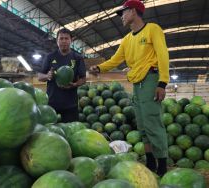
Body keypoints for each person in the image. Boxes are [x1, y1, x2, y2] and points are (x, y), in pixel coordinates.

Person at [90, 0, 169, 176]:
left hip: (150, 79)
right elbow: (116, 60)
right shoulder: (126, 39)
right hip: (137, 83)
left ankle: (163, 164)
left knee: (153, 122)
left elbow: (163, 54)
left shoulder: (152, 29)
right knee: (142, 124)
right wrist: (100, 68)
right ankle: (150, 162)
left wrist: (162, 82)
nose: (121, 17)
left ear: (133, 11)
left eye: (123, 13)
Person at [38, 28, 86, 123]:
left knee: (71, 132)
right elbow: (40, 76)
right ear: (57, 41)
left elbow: (83, 79)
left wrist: (75, 84)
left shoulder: (77, 58)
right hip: (52, 104)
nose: (64, 41)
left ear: (71, 41)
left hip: (71, 105)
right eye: (61, 38)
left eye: (66, 38)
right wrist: (47, 76)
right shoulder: (50, 57)